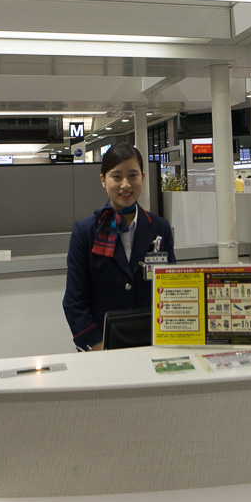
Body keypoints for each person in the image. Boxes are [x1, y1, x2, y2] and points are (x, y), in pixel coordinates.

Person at [63, 144, 175, 351]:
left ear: (142, 177)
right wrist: (98, 347)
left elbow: (170, 290)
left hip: (153, 344)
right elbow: (74, 301)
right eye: (116, 177)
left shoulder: (160, 228)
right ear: (103, 180)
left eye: (133, 176)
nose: (125, 185)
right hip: (101, 345)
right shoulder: (86, 232)